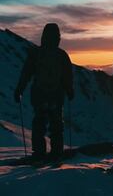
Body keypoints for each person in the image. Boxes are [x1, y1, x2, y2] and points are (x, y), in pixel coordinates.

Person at [14, 23, 74, 162]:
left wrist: (19, 90)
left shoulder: (36, 53)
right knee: (56, 126)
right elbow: (67, 76)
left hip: (39, 95)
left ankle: (39, 153)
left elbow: (26, 73)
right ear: (58, 37)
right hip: (56, 96)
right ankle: (56, 153)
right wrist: (70, 91)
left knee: (39, 124)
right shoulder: (61, 55)